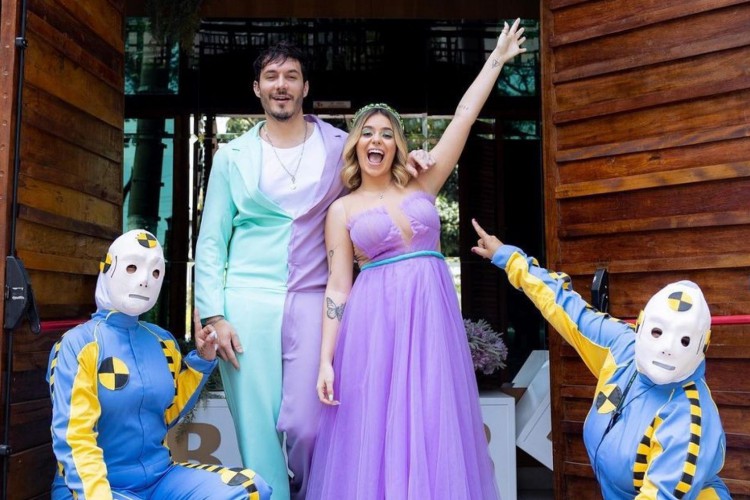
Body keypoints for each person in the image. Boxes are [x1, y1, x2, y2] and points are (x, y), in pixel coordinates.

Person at [194, 41, 435, 500]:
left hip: (313, 299)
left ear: (306, 87)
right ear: (257, 88)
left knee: (310, 424)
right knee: (257, 429)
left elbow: (381, 172)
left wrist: (415, 162)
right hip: (246, 303)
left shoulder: (339, 146)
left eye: (291, 76)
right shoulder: (231, 156)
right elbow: (211, 241)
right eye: (271, 77)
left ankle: (310, 491)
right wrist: (213, 314)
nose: (281, 85)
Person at [307, 20, 527, 500]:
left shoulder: (423, 183)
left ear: (396, 145)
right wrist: (325, 360)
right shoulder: (342, 210)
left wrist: (496, 59)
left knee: (431, 422)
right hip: (374, 328)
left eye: (387, 134)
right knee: (378, 430)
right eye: (368, 133)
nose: (377, 140)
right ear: (356, 144)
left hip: (429, 323)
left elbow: (463, 117)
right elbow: (338, 288)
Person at [471, 219, 731, 499]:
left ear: (702, 345)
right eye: (658, 331)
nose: (668, 348)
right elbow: (564, 306)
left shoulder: (688, 418)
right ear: (641, 325)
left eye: (684, 340)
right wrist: (509, 258)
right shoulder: (622, 346)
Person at [46, 229, 271, 500]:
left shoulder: (161, 341)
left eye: (155, 272)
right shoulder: (77, 345)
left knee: (250, 488)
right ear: (107, 269)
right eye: (132, 267)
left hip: (159, 479)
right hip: (95, 488)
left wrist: (203, 360)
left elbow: (168, 411)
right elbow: (74, 438)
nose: (144, 281)